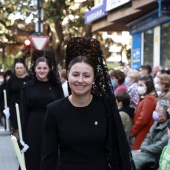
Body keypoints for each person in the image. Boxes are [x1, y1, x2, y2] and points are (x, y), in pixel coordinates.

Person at [40, 37, 135, 170]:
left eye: (86, 75)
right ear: (67, 75)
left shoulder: (105, 108)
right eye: (75, 74)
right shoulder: (54, 110)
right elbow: (49, 156)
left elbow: (116, 150)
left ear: (94, 78)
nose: (80, 80)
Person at [20, 54, 64, 170]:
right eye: (39, 68)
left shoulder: (56, 87)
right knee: (32, 156)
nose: (42, 71)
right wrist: (21, 134)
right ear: (34, 69)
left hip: (52, 125)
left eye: (45, 68)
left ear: (50, 69)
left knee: (50, 156)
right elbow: (24, 111)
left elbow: (62, 109)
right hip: (33, 126)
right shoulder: (27, 87)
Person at [132, 100, 169, 170]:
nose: (154, 112)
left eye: (156, 110)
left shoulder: (168, 128)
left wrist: (143, 149)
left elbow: (160, 146)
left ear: (164, 115)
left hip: (154, 155)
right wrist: (143, 147)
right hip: (146, 151)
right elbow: (148, 137)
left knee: (133, 162)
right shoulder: (156, 122)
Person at [131, 76, 157, 150]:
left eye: (141, 85)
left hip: (143, 131)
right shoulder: (146, 98)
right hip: (141, 131)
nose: (139, 87)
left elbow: (143, 119)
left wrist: (133, 131)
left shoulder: (149, 99)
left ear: (148, 87)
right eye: (138, 85)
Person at [6, 58, 29, 138]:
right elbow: (8, 93)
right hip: (13, 106)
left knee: (24, 126)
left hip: (26, 105)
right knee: (16, 127)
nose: (19, 70)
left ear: (24, 68)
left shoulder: (29, 79)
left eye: (21, 68)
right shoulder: (11, 79)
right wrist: (7, 107)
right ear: (14, 69)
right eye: (17, 68)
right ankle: (17, 145)